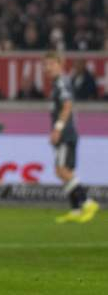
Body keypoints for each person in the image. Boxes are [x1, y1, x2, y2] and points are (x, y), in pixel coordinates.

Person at [44, 52, 99, 223]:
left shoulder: (61, 81)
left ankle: (88, 202)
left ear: (60, 64)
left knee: (61, 170)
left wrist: (57, 129)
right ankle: (76, 210)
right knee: (66, 171)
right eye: (46, 64)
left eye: (52, 64)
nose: (48, 68)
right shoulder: (58, 82)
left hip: (66, 134)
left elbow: (67, 105)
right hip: (68, 133)